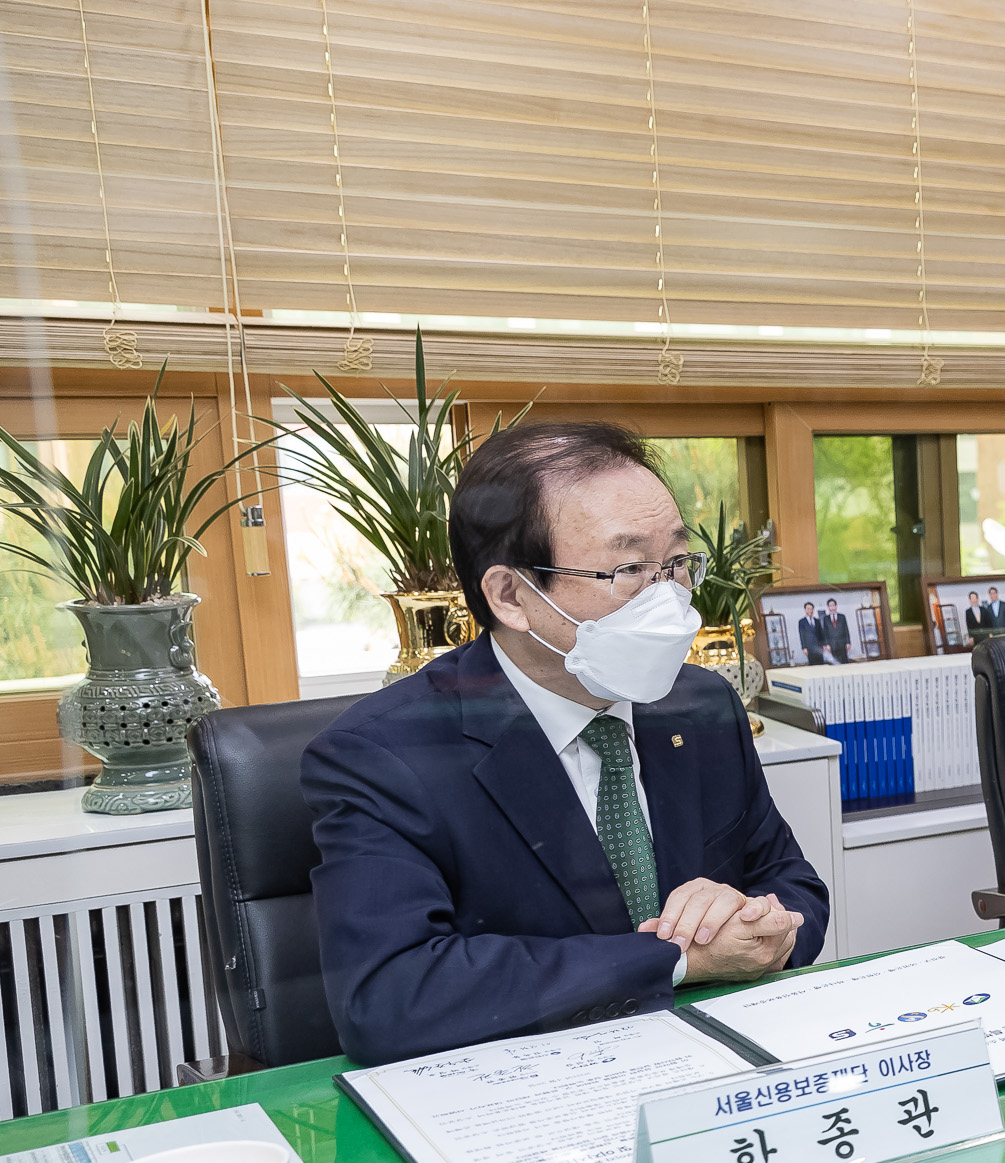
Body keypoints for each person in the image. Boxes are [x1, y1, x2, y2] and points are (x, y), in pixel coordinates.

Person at [305, 423, 830, 1065]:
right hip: (519, 1091)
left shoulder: (699, 704)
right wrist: (674, 958)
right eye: (630, 568)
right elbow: (390, 997)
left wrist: (763, 924)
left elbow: (793, 883)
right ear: (512, 597)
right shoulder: (386, 755)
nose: (668, 598)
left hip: (708, 1066)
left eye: (675, 563)